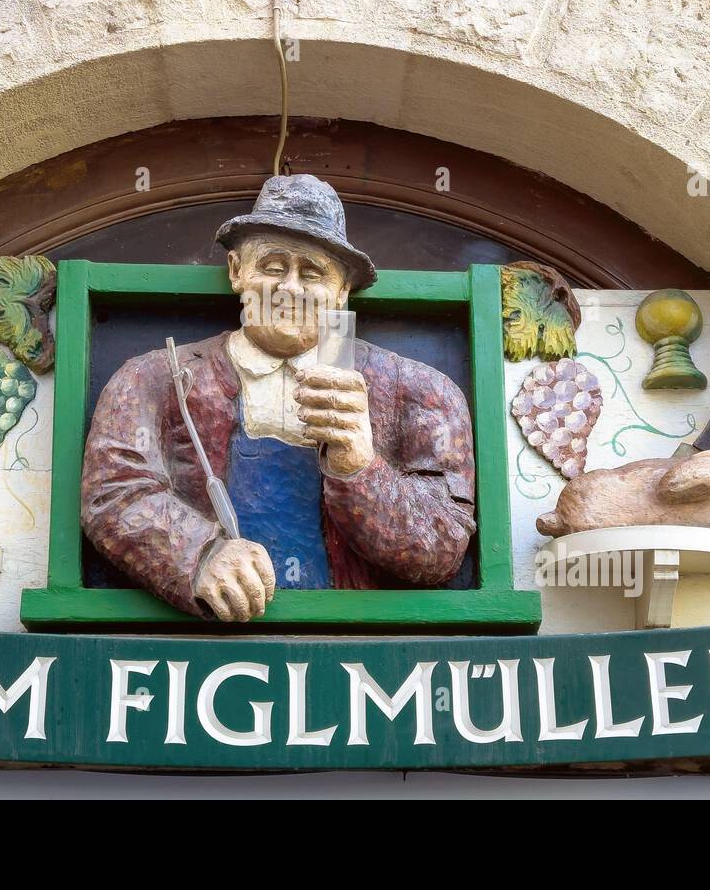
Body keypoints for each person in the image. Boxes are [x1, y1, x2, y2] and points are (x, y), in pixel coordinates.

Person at [81, 174, 476, 621]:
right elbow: (112, 494)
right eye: (272, 266)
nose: (290, 288)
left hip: (356, 644)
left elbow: (444, 547)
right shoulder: (154, 378)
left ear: (343, 290)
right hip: (202, 642)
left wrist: (361, 469)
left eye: (313, 273)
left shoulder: (420, 391)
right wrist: (197, 554)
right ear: (237, 272)